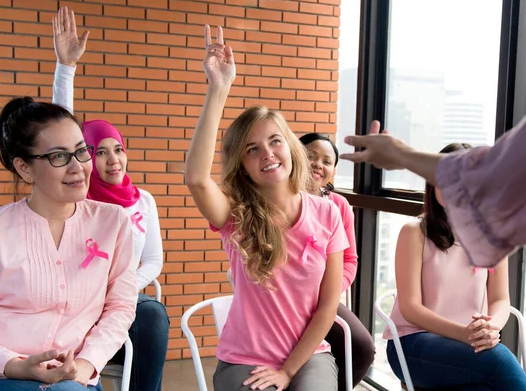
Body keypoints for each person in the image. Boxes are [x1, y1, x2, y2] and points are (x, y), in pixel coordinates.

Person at [185, 25, 347, 391]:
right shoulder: (234, 213)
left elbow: (326, 308)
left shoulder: (328, 214)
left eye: (275, 142)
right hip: (244, 359)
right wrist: (218, 90)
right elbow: (196, 178)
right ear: (241, 164)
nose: (267, 154)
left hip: (308, 356)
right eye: (251, 149)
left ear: (290, 148)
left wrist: (289, 371)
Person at [0, 96, 138, 391]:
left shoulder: (113, 222)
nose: (77, 167)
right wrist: (18, 365)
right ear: (24, 169)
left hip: (75, 380)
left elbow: (120, 309)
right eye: (59, 157)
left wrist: (85, 366)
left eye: (81, 151)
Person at [50, 7, 169, 391]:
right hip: (76, 306)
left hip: (123, 302)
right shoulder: (79, 197)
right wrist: (65, 69)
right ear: (85, 156)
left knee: (152, 315)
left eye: (117, 149)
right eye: (98, 151)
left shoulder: (143, 200)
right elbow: (60, 134)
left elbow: (153, 260)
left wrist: (124, 285)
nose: (112, 159)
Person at [384, 142, 526, 390]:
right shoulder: (415, 232)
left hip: (468, 348)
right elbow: (410, 308)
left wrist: (491, 328)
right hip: (414, 343)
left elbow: (501, 299)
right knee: (500, 360)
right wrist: (464, 334)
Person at [341, 119, 526, 268]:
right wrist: (401, 155)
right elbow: (488, 174)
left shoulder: (490, 232)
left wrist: (402, 155)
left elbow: (486, 174)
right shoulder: (416, 232)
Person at [299, 133, 375, 390]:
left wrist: (330, 292)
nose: (318, 165)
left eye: (326, 161)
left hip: (324, 300)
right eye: (311, 156)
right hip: (285, 299)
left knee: (362, 348)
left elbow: (350, 259)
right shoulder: (278, 198)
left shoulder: (339, 205)